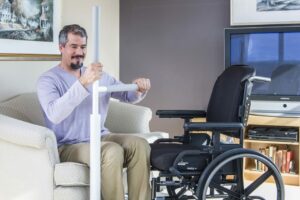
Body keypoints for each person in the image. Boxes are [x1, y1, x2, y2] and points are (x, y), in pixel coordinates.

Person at [37, 24, 151, 200]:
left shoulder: (98, 76)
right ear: (61, 47)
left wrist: (139, 88)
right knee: (111, 151)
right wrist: (82, 83)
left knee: (139, 145)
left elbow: (127, 95)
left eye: (83, 47)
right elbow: (55, 114)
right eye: (73, 46)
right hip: (68, 145)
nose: (79, 52)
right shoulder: (48, 80)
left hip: (99, 136)